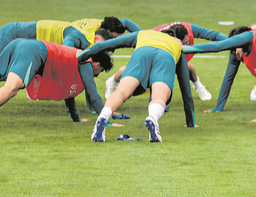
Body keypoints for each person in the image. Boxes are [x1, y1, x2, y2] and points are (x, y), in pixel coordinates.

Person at [79, 24, 196, 142]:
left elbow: (109, 44)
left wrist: (85, 54)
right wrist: (190, 122)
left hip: (142, 52)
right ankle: (152, 118)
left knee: (121, 92)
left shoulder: (144, 33)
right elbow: (186, 88)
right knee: (159, 97)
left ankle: (103, 116)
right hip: (166, 55)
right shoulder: (177, 44)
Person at [105, 22, 226, 101]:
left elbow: (213, 35)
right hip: (152, 53)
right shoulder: (157, 37)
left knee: (188, 67)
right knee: (134, 73)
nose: (188, 44)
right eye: (185, 43)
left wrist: (235, 42)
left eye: (187, 41)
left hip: (166, 53)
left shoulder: (188, 29)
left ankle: (198, 86)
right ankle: (112, 82)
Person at [0, 39, 111, 121]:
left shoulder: (77, 59)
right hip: (33, 50)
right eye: (100, 71)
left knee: (11, 88)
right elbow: (93, 94)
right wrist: (106, 121)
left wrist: (76, 118)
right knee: (11, 89)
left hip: (22, 44)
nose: (96, 74)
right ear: (96, 65)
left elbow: (69, 92)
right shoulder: (86, 62)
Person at [0, 17, 138, 51]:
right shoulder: (83, 35)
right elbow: (65, 50)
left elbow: (125, 22)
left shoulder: (99, 24)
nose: (115, 43)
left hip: (18, 33)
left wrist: (146, 35)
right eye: (114, 38)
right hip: (13, 34)